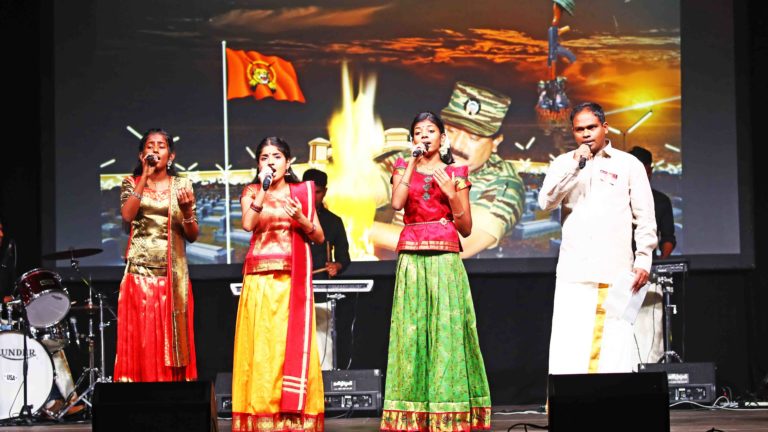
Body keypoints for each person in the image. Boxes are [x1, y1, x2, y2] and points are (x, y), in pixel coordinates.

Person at [380, 112, 491, 431]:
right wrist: (410, 164)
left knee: (446, 330)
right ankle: (412, 411)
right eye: (418, 132)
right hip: (412, 258)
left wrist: (452, 193)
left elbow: (466, 228)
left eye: (431, 131)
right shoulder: (402, 167)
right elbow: (397, 203)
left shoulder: (456, 172)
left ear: (443, 138)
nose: (424, 136)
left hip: (444, 258)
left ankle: (449, 408)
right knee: (411, 331)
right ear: (412, 139)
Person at [539, 102, 657, 374]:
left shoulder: (628, 164)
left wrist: (643, 259)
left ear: (605, 127)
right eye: (579, 129)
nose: (586, 134)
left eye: (591, 127)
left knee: (612, 347)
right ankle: (570, 399)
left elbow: (645, 217)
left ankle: (610, 400)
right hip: (573, 272)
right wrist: (575, 166)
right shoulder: (563, 163)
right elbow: (546, 202)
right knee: (570, 346)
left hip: (613, 271)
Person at [233, 137, 326, 432]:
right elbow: (248, 224)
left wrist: (301, 218)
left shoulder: (301, 193)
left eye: (276, 156)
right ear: (258, 164)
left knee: (288, 348)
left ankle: (293, 418)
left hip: (291, 281)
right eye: (264, 157)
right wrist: (263, 189)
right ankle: (262, 415)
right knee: (262, 349)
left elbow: (318, 236)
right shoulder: (251, 191)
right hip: (259, 280)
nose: (270, 162)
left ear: (288, 162)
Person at [372, 81, 525, 258]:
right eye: (451, 131)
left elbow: (453, 243)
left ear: (496, 142)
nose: (457, 145)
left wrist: (359, 228)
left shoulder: (504, 186)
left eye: (473, 138)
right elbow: (368, 186)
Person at [115, 128, 198, 382]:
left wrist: (187, 212)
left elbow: (192, 235)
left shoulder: (182, 185)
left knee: (170, 342)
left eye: (161, 146)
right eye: (150, 146)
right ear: (142, 155)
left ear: (170, 156)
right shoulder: (131, 182)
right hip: (139, 275)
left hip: (172, 277)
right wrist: (144, 176)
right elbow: (127, 216)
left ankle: (173, 392)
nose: (155, 150)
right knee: (141, 340)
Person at [301, 168, 351, 279]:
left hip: (322, 281)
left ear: (325, 192)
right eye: (310, 192)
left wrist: (336, 266)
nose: (313, 197)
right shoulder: (292, 217)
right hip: (294, 281)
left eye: (317, 192)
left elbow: (344, 258)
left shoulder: (334, 222)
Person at [628, 146, 677, 258]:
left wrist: (662, 262)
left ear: (650, 170)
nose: (639, 178)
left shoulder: (661, 201)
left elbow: (668, 237)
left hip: (648, 263)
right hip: (619, 263)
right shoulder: (616, 199)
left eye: (644, 173)